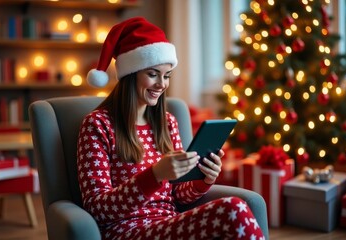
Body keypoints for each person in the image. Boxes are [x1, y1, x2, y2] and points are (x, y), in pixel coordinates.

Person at [77, 17, 264, 240]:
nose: (162, 84)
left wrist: (203, 180)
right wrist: (155, 175)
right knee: (233, 209)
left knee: (236, 211)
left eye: (166, 76)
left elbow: (179, 195)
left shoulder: (167, 122)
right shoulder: (97, 125)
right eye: (153, 74)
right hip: (127, 231)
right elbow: (97, 208)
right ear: (130, 74)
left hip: (169, 224)